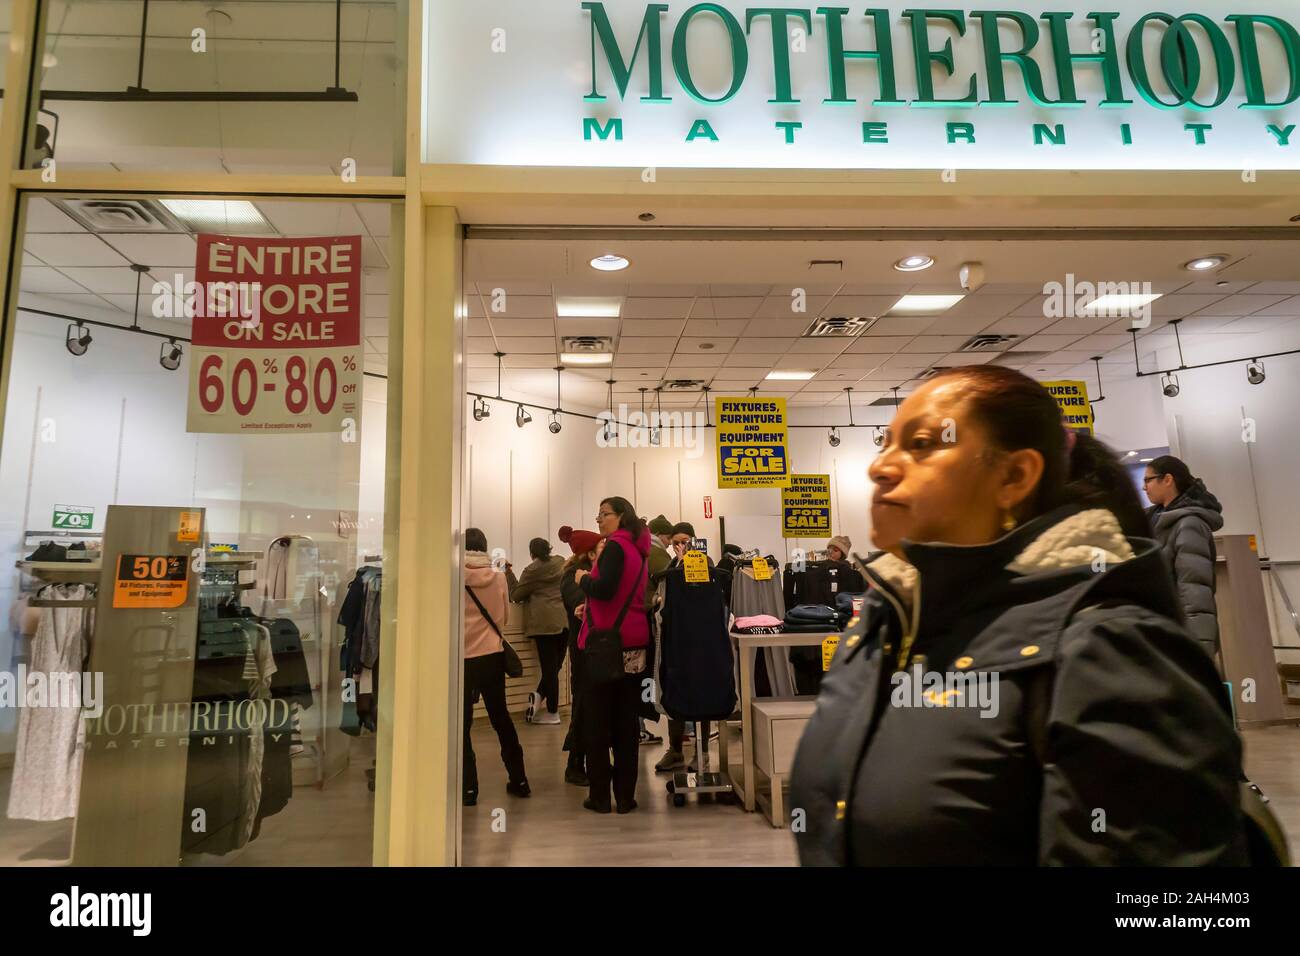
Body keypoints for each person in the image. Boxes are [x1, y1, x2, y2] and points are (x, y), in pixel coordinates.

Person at [790, 366, 1246, 865]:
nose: (880, 467)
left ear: (1014, 476)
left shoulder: (1111, 648)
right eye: (885, 443)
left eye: (922, 443)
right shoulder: (883, 624)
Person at [576, 497, 651, 814]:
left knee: (597, 722)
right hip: (633, 642)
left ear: (621, 516)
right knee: (625, 723)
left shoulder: (615, 547)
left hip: (607, 646)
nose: (599, 520)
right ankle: (625, 796)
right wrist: (590, 608)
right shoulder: (638, 549)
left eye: (604, 514)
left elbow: (604, 589)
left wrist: (582, 579)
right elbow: (622, 594)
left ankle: (600, 796)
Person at [462, 528, 529, 806]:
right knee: (500, 718)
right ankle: (519, 779)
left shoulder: (453, 576)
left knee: (462, 724)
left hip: (460, 657)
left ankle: (469, 789)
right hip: (491, 653)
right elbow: (505, 617)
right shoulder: (499, 576)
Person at [1143, 455, 1224, 657]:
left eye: (1148, 480)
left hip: (1179, 639)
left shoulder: (1189, 524)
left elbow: (1195, 593)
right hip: (1161, 634)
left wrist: (1199, 650)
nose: (1144, 487)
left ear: (1168, 479)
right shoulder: (1155, 520)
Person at [507, 537, 568, 724]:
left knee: (550, 669)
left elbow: (516, 595)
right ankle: (540, 697)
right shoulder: (560, 562)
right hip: (564, 620)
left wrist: (508, 572)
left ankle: (552, 712)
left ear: (532, 553)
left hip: (543, 624)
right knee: (555, 667)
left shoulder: (531, 571)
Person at [558, 525, 601, 787]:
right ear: (589, 554)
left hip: (590, 649)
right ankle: (575, 763)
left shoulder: (589, 574)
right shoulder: (572, 576)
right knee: (583, 707)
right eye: (599, 548)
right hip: (583, 651)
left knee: (588, 706)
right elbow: (577, 604)